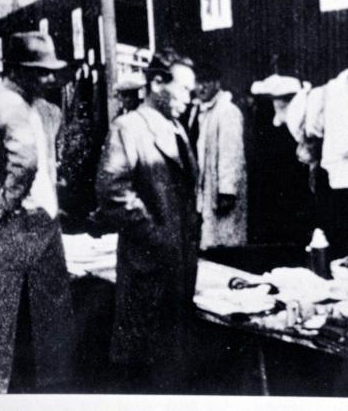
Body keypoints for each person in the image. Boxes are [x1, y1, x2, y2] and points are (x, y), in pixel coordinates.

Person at [0, 31, 74, 393]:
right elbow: (25, 162)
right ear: (18, 70)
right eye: (41, 72)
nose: (50, 79)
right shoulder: (10, 104)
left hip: (14, 231)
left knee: (3, 325)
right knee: (2, 324)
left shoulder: (16, 104)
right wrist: (5, 202)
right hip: (15, 231)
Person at [95, 50, 198, 392]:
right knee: (145, 375)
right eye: (183, 89)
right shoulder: (129, 127)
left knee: (173, 366)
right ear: (156, 83)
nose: (189, 97)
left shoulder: (177, 128)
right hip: (148, 271)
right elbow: (112, 193)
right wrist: (158, 236)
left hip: (177, 271)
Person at [187, 63, 247, 250]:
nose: (201, 87)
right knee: (209, 238)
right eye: (198, 82)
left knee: (225, 239)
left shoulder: (227, 111)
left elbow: (232, 153)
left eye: (207, 82)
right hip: (206, 190)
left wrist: (226, 191)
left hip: (221, 193)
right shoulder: (200, 111)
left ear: (217, 84)